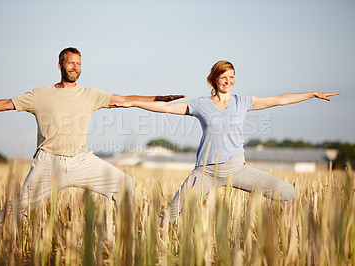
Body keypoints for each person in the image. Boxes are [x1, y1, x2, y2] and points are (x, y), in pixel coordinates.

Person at [0, 47, 184, 227]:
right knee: (17, 208)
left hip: (80, 160)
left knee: (125, 183)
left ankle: (129, 234)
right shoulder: (39, 95)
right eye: (71, 62)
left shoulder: (90, 94)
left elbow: (124, 100)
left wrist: (158, 98)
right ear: (60, 65)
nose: (75, 67)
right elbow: (7, 103)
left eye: (78, 63)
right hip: (48, 163)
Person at [115, 60, 340, 224]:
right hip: (205, 172)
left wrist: (312, 94)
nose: (228, 81)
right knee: (169, 215)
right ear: (214, 79)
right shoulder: (201, 104)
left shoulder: (242, 102)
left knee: (288, 192)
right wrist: (132, 102)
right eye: (223, 76)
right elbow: (164, 107)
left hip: (236, 168)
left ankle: (287, 235)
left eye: (232, 77)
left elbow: (279, 99)